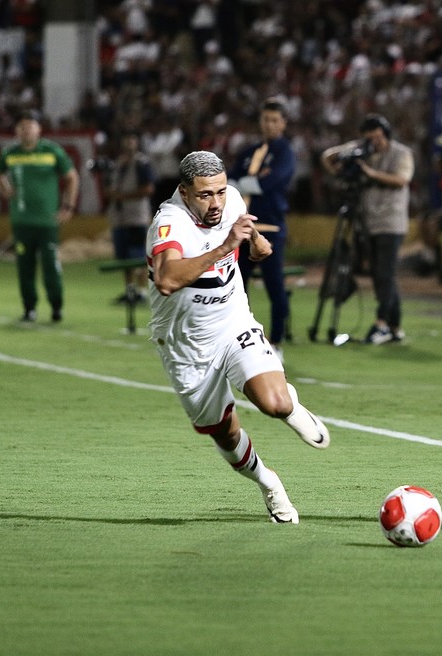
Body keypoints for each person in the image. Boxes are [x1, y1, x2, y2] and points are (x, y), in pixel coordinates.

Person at [146, 150, 330, 524]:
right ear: (184, 192)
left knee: (274, 404)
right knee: (226, 435)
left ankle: (288, 402)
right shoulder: (169, 222)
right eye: (204, 195)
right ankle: (269, 484)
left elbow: (253, 240)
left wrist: (256, 243)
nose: (216, 203)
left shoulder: (231, 199)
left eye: (219, 191)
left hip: (232, 322)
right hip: (185, 346)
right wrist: (225, 246)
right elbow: (166, 279)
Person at [320, 114, 414, 345]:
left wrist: (370, 173)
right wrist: (353, 149)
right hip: (368, 222)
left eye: (378, 138)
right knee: (382, 276)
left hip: (391, 222)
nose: (375, 143)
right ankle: (395, 327)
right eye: (369, 139)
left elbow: (402, 180)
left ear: (387, 135)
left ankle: (382, 324)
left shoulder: (401, 153)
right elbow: (327, 158)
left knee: (385, 274)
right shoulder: (363, 152)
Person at [0, 109, 80, 323]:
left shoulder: (52, 151)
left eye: (30, 126)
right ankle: (29, 308)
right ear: (17, 130)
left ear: (39, 129)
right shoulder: (10, 153)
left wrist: (68, 206)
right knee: (25, 267)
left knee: (50, 266)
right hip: (21, 222)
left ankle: (56, 306)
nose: (26, 131)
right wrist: (4, 189)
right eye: (22, 127)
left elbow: (71, 177)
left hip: (47, 222)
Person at [228, 98, 296, 361]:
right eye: (265, 119)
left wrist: (247, 183)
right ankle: (240, 340)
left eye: (274, 120)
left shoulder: (285, 152)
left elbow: (270, 184)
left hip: (270, 228)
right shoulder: (249, 151)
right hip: (243, 229)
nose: (269, 125)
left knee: (274, 285)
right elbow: (230, 182)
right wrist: (250, 182)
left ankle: (276, 342)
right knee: (236, 288)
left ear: (283, 123)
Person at [104, 129, 155, 303]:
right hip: (119, 216)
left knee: (139, 255)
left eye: (132, 139)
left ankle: (141, 290)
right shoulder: (117, 163)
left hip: (136, 216)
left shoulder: (142, 163)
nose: (129, 143)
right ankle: (129, 289)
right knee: (123, 257)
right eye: (126, 139)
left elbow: (148, 189)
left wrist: (123, 196)